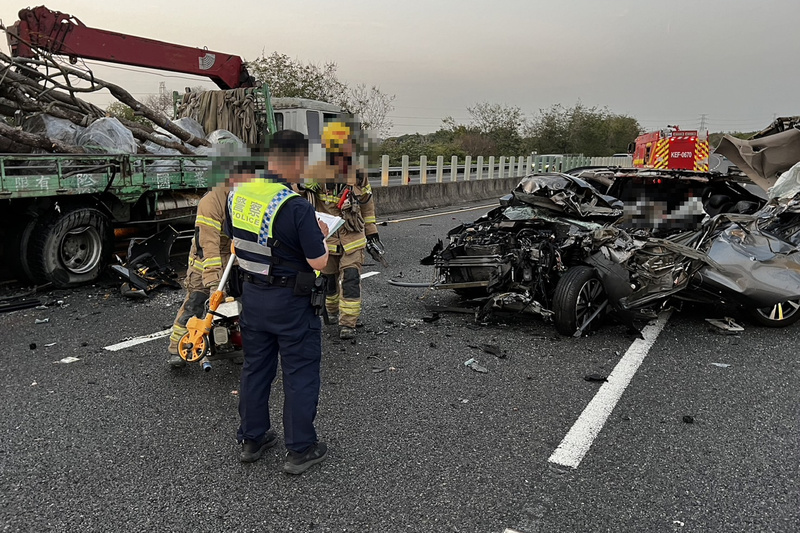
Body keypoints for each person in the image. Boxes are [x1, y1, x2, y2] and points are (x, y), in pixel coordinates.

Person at [226, 130, 330, 474]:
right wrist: (321, 235)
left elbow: (236, 241)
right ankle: (300, 449)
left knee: (256, 368)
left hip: (252, 298)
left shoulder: (238, 195)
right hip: (291, 302)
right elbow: (318, 262)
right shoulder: (296, 205)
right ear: (297, 161)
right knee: (299, 373)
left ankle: (252, 439)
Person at [298, 120, 384, 340]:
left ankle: (349, 323)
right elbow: (298, 196)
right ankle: (332, 312)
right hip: (327, 238)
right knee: (328, 282)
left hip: (352, 238)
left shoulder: (358, 173)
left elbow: (367, 202)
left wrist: (372, 231)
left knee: (351, 279)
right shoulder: (315, 173)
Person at [167, 180, 232, 368]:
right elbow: (208, 246)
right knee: (195, 302)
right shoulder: (212, 202)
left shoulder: (244, 195)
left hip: (231, 261)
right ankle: (178, 348)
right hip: (204, 262)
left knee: (234, 306)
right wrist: (213, 283)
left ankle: (230, 345)